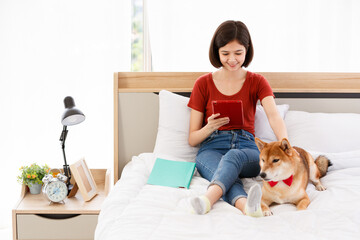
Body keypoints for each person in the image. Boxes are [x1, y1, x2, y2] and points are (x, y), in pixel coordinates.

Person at [187, 20, 288, 217]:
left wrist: (286, 147)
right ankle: (248, 207)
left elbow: (274, 116)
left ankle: (207, 200)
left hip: (247, 148)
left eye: (238, 53)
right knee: (226, 172)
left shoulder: (257, 81)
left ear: (247, 50)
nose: (232, 59)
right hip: (212, 147)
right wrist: (209, 127)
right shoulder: (203, 84)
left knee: (231, 159)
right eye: (225, 53)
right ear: (216, 52)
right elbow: (192, 139)